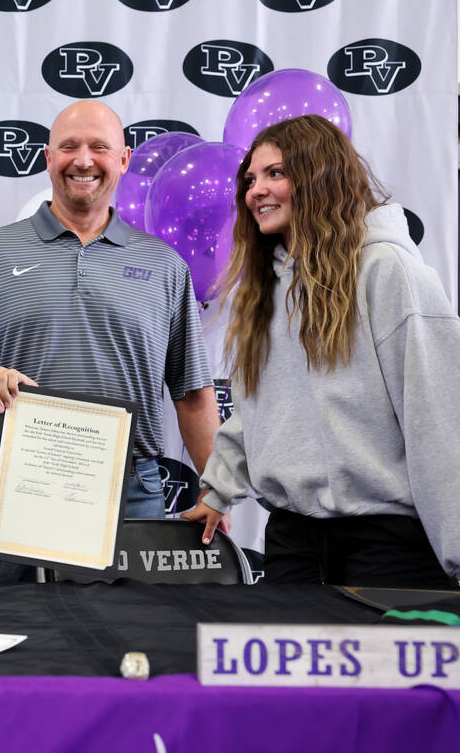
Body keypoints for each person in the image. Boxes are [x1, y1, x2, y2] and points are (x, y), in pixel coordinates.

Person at [183, 115, 459, 586]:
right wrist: (217, 491)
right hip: (294, 541)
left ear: (320, 176)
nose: (256, 191)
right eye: (251, 178)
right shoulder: (268, 288)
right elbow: (261, 410)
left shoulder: (387, 269)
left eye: (276, 173)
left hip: (387, 543)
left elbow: (438, 416)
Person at [0, 100, 218, 523]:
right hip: (17, 483)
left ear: (123, 160)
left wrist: (215, 489)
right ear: (48, 159)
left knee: (133, 595)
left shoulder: (165, 266)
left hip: (132, 492)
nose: (83, 160)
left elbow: (193, 395)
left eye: (99, 147)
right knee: (20, 596)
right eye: (69, 147)